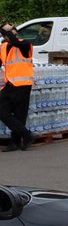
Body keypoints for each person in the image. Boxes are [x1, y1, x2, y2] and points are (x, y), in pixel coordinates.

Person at [0, 21, 35, 152]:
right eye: (8, 34)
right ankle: (27, 135)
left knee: (20, 115)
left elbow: (15, 42)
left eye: (12, 33)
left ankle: (15, 142)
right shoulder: (3, 47)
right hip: (9, 85)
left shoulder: (25, 44)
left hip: (23, 85)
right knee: (2, 112)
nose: (11, 36)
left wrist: (8, 30)